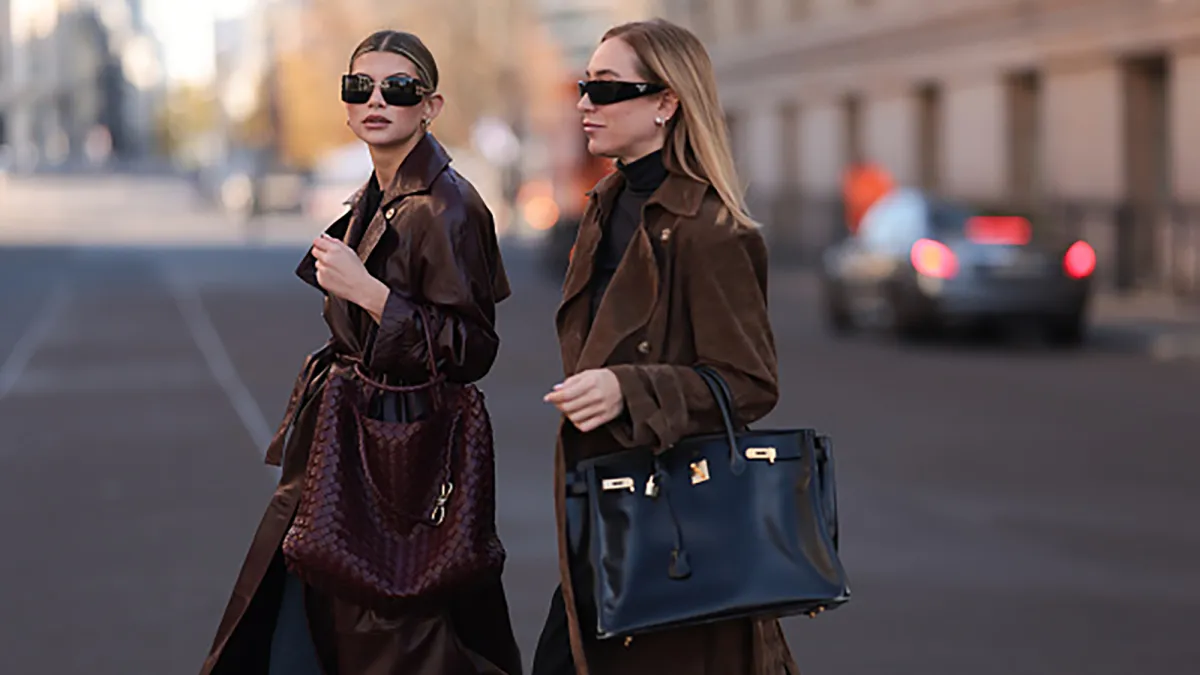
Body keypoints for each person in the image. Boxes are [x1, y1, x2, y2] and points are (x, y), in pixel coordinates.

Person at [197, 30, 522, 675]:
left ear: (430, 106)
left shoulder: (445, 204)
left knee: (387, 624)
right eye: (359, 87)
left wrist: (374, 296)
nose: (376, 101)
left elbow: (474, 345)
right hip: (350, 436)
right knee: (319, 618)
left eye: (397, 89)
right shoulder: (375, 192)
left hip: (400, 453)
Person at [532, 18, 800, 675]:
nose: (585, 103)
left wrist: (629, 386)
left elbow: (749, 380)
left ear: (665, 103)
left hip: (675, 522)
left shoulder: (709, 228)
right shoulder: (605, 206)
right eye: (584, 85)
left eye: (606, 88)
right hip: (606, 508)